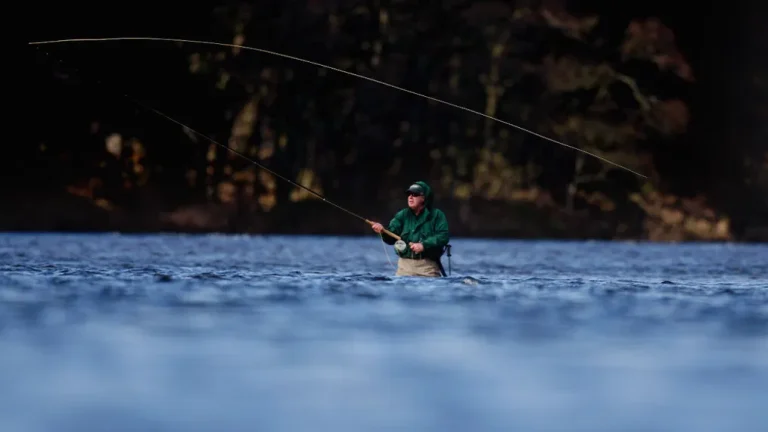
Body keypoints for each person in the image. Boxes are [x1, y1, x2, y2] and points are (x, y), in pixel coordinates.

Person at [371, 181, 450, 277]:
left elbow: (443, 236)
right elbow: (391, 238)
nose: (410, 197)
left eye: (415, 194)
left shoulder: (437, 215)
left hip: (428, 269)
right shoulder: (402, 215)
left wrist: (423, 245)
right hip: (403, 269)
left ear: (424, 198)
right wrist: (383, 231)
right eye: (409, 194)